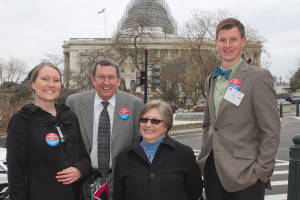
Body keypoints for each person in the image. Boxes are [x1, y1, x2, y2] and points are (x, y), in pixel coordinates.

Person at [197, 18, 280, 200]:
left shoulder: (258, 77)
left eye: (233, 40)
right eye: (223, 40)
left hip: (246, 176)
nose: (228, 45)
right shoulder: (211, 79)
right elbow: (209, 124)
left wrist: (261, 172)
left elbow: (271, 130)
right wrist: (205, 154)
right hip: (213, 172)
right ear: (216, 43)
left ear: (243, 42)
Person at [6, 63, 91, 200]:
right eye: (45, 79)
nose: (51, 84)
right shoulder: (22, 121)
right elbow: (16, 175)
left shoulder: (69, 116)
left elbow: (85, 159)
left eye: (56, 80)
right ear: (32, 84)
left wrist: (79, 170)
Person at [66, 59, 143, 199]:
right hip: (83, 181)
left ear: (118, 80)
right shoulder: (74, 103)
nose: (106, 82)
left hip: (119, 182)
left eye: (111, 77)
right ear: (93, 80)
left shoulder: (134, 104)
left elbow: (138, 145)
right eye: (101, 77)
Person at [113, 99, 203, 200]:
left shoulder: (184, 154)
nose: (148, 124)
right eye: (144, 119)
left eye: (155, 121)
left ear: (166, 126)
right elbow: (119, 195)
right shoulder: (124, 157)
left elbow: (194, 190)